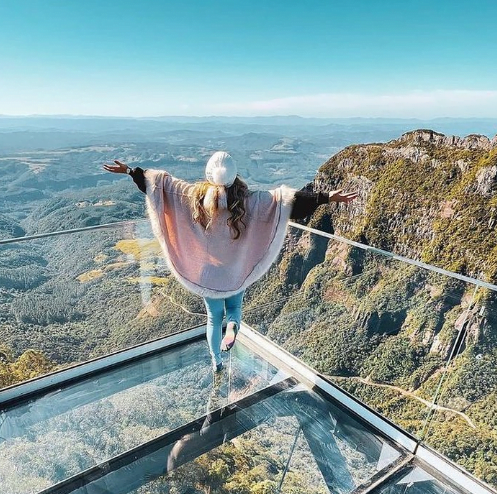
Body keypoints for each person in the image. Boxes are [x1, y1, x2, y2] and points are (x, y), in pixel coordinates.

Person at [104, 151, 357, 372]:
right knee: (234, 309)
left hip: (207, 273)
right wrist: (326, 197)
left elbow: (161, 185)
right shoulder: (250, 201)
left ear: (208, 174)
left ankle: (216, 361)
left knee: (213, 318)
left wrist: (129, 170)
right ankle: (233, 328)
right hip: (234, 270)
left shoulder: (192, 196)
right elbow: (289, 202)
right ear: (235, 175)